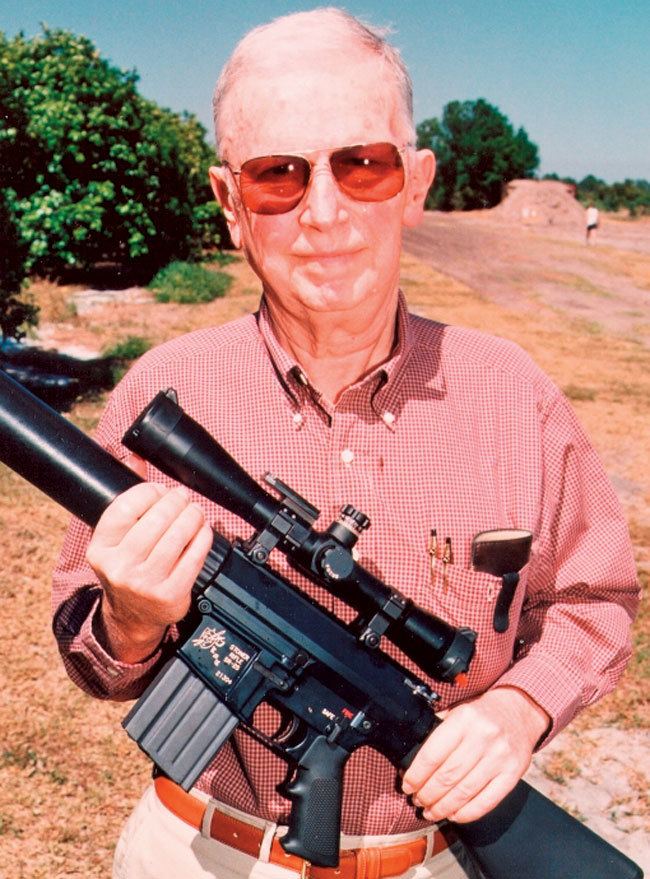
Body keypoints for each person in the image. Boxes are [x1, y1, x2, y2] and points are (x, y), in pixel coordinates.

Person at [52, 9, 639, 879]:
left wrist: (518, 708)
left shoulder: (515, 396)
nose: (323, 213)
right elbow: (97, 658)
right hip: (204, 855)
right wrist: (131, 619)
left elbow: (596, 600)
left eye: (363, 165)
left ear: (416, 183)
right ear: (230, 204)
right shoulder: (164, 394)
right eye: (276, 175)